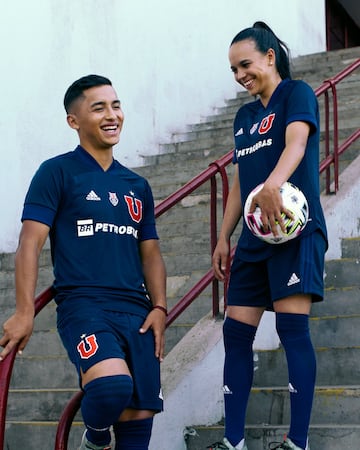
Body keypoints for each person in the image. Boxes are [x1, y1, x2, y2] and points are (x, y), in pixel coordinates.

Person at [0, 74, 167, 450]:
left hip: (138, 311)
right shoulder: (57, 172)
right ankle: (93, 441)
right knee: (111, 386)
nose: (112, 115)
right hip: (85, 306)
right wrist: (25, 310)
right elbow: (30, 242)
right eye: (99, 108)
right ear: (74, 121)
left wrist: (159, 305)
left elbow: (151, 251)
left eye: (116, 105)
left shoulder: (136, 185)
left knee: (139, 417)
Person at [208, 22, 327, 450]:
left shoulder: (297, 94)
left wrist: (274, 186)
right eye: (233, 69)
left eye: (246, 64)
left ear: (270, 57)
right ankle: (232, 441)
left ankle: (298, 442)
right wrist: (224, 236)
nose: (240, 75)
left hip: (295, 234)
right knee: (235, 335)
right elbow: (241, 180)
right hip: (254, 242)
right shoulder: (244, 117)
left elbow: (296, 144)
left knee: (293, 332)